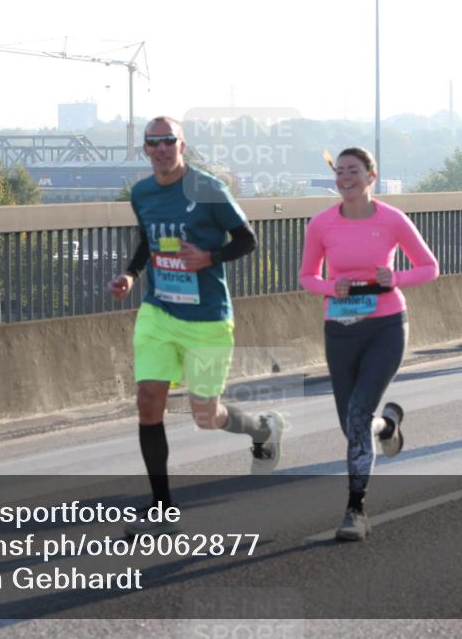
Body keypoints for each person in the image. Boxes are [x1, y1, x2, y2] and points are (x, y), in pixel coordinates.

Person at [108, 116, 284, 536]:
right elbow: (146, 243)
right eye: (154, 143)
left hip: (206, 319)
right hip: (159, 312)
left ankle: (262, 429)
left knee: (206, 414)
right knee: (148, 400)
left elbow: (247, 239)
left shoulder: (207, 189)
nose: (162, 149)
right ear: (146, 149)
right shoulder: (143, 193)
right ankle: (162, 509)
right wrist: (131, 275)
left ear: (182, 145)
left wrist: (210, 257)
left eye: (169, 141)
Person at [299, 147, 439, 541]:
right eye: (340, 171)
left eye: (354, 171)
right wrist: (331, 286)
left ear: (371, 176)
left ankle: (355, 510)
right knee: (352, 425)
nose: (345, 177)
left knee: (359, 414)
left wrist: (395, 278)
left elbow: (429, 268)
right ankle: (388, 426)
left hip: (386, 326)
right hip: (340, 328)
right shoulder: (321, 224)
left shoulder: (391, 220)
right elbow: (307, 277)